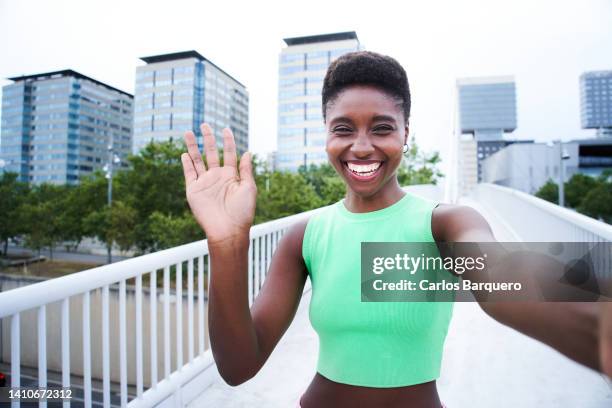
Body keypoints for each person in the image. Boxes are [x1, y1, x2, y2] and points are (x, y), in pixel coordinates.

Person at [180, 51, 612, 408]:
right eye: (343, 129)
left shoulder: (445, 223)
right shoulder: (305, 236)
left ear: (406, 135)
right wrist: (227, 242)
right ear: (327, 137)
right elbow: (238, 367)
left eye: (382, 128)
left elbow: (503, 276)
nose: (362, 146)